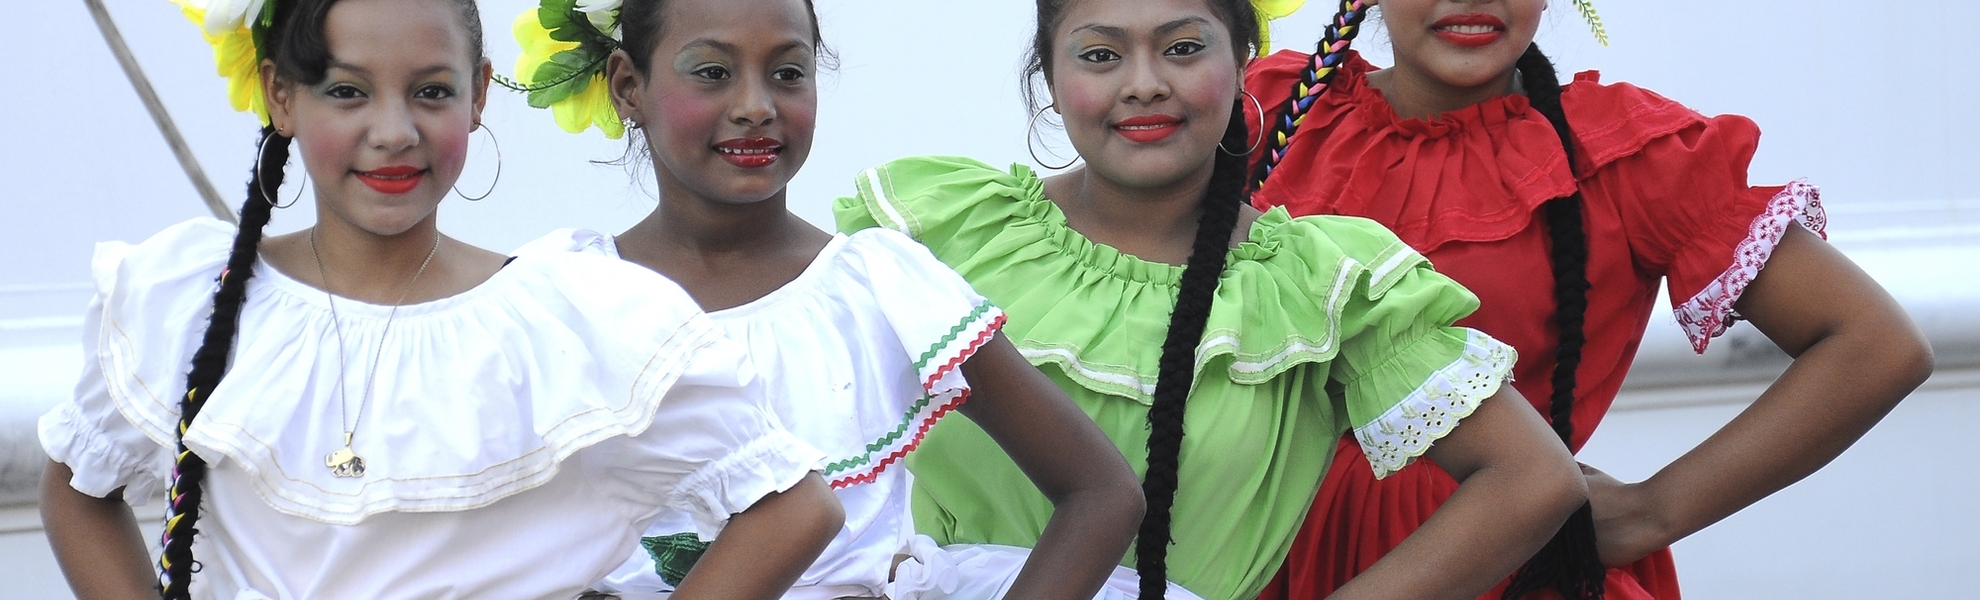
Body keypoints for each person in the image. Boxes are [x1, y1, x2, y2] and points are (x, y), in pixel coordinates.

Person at [37, 0, 843, 598]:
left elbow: (792, 508)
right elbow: (79, 487)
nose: (393, 131)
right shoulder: (189, 300)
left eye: (429, 92)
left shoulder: (574, 323)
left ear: (479, 95)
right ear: (281, 95)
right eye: (348, 92)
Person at [834, 0, 1590, 598]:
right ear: (1048, 77)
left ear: (1242, 65)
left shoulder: (1319, 284)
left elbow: (1533, 479)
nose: (1144, 83)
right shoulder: (949, 232)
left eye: (1183, 47)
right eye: (1100, 54)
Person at [1242, 1, 1936, 598]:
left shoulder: (1621, 153)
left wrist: (1652, 509)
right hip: (1255, 555)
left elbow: (1877, 344)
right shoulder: (1265, 115)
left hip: (1511, 566)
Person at [503, 0, 1146, 598]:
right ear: (627, 87)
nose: (756, 105)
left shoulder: (878, 289)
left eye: (787, 73)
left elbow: (1102, 492)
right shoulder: (559, 295)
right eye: (712, 72)